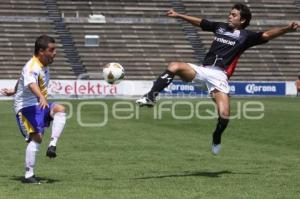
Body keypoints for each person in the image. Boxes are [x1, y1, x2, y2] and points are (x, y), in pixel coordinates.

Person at [136, 3, 299, 155]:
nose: (229, 16)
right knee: (174, 66)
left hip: (219, 77)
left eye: (233, 15)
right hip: (203, 71)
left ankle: (217, 136)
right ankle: (151, 96)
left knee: (224, 115)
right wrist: (179, 15)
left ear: (242, 20)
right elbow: (201, 22)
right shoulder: (219, 27)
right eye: (230, 13)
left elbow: (267, 34)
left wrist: (287, 28)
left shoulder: (245, 36)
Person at [0, 35, 66, 183]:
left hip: (39, 104)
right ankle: (29, 176)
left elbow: (23, 78)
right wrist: (41, 96)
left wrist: (14, 89)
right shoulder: (33, 65)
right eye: (51, 50)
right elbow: (31, 84)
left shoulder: (42, 66)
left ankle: (52, 145)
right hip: (25, 107)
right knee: (37, 137)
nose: (55, 53)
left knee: (60, 109)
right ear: (41, 51)